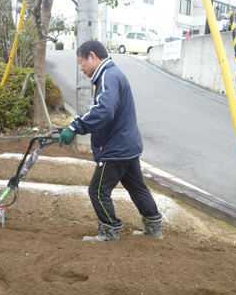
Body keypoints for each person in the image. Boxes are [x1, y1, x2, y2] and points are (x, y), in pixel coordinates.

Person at [60, 39, 163, 241]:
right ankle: (153, 228)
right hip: (128, 145)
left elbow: (103, 110)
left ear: (93, 56)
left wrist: (75, 126)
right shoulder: (112, 74)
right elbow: (104, 109)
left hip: (116, 148)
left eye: (81, 62)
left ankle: (110, 230)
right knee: (136, 187)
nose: (81, 68)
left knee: (97, 191)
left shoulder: (108, 75)